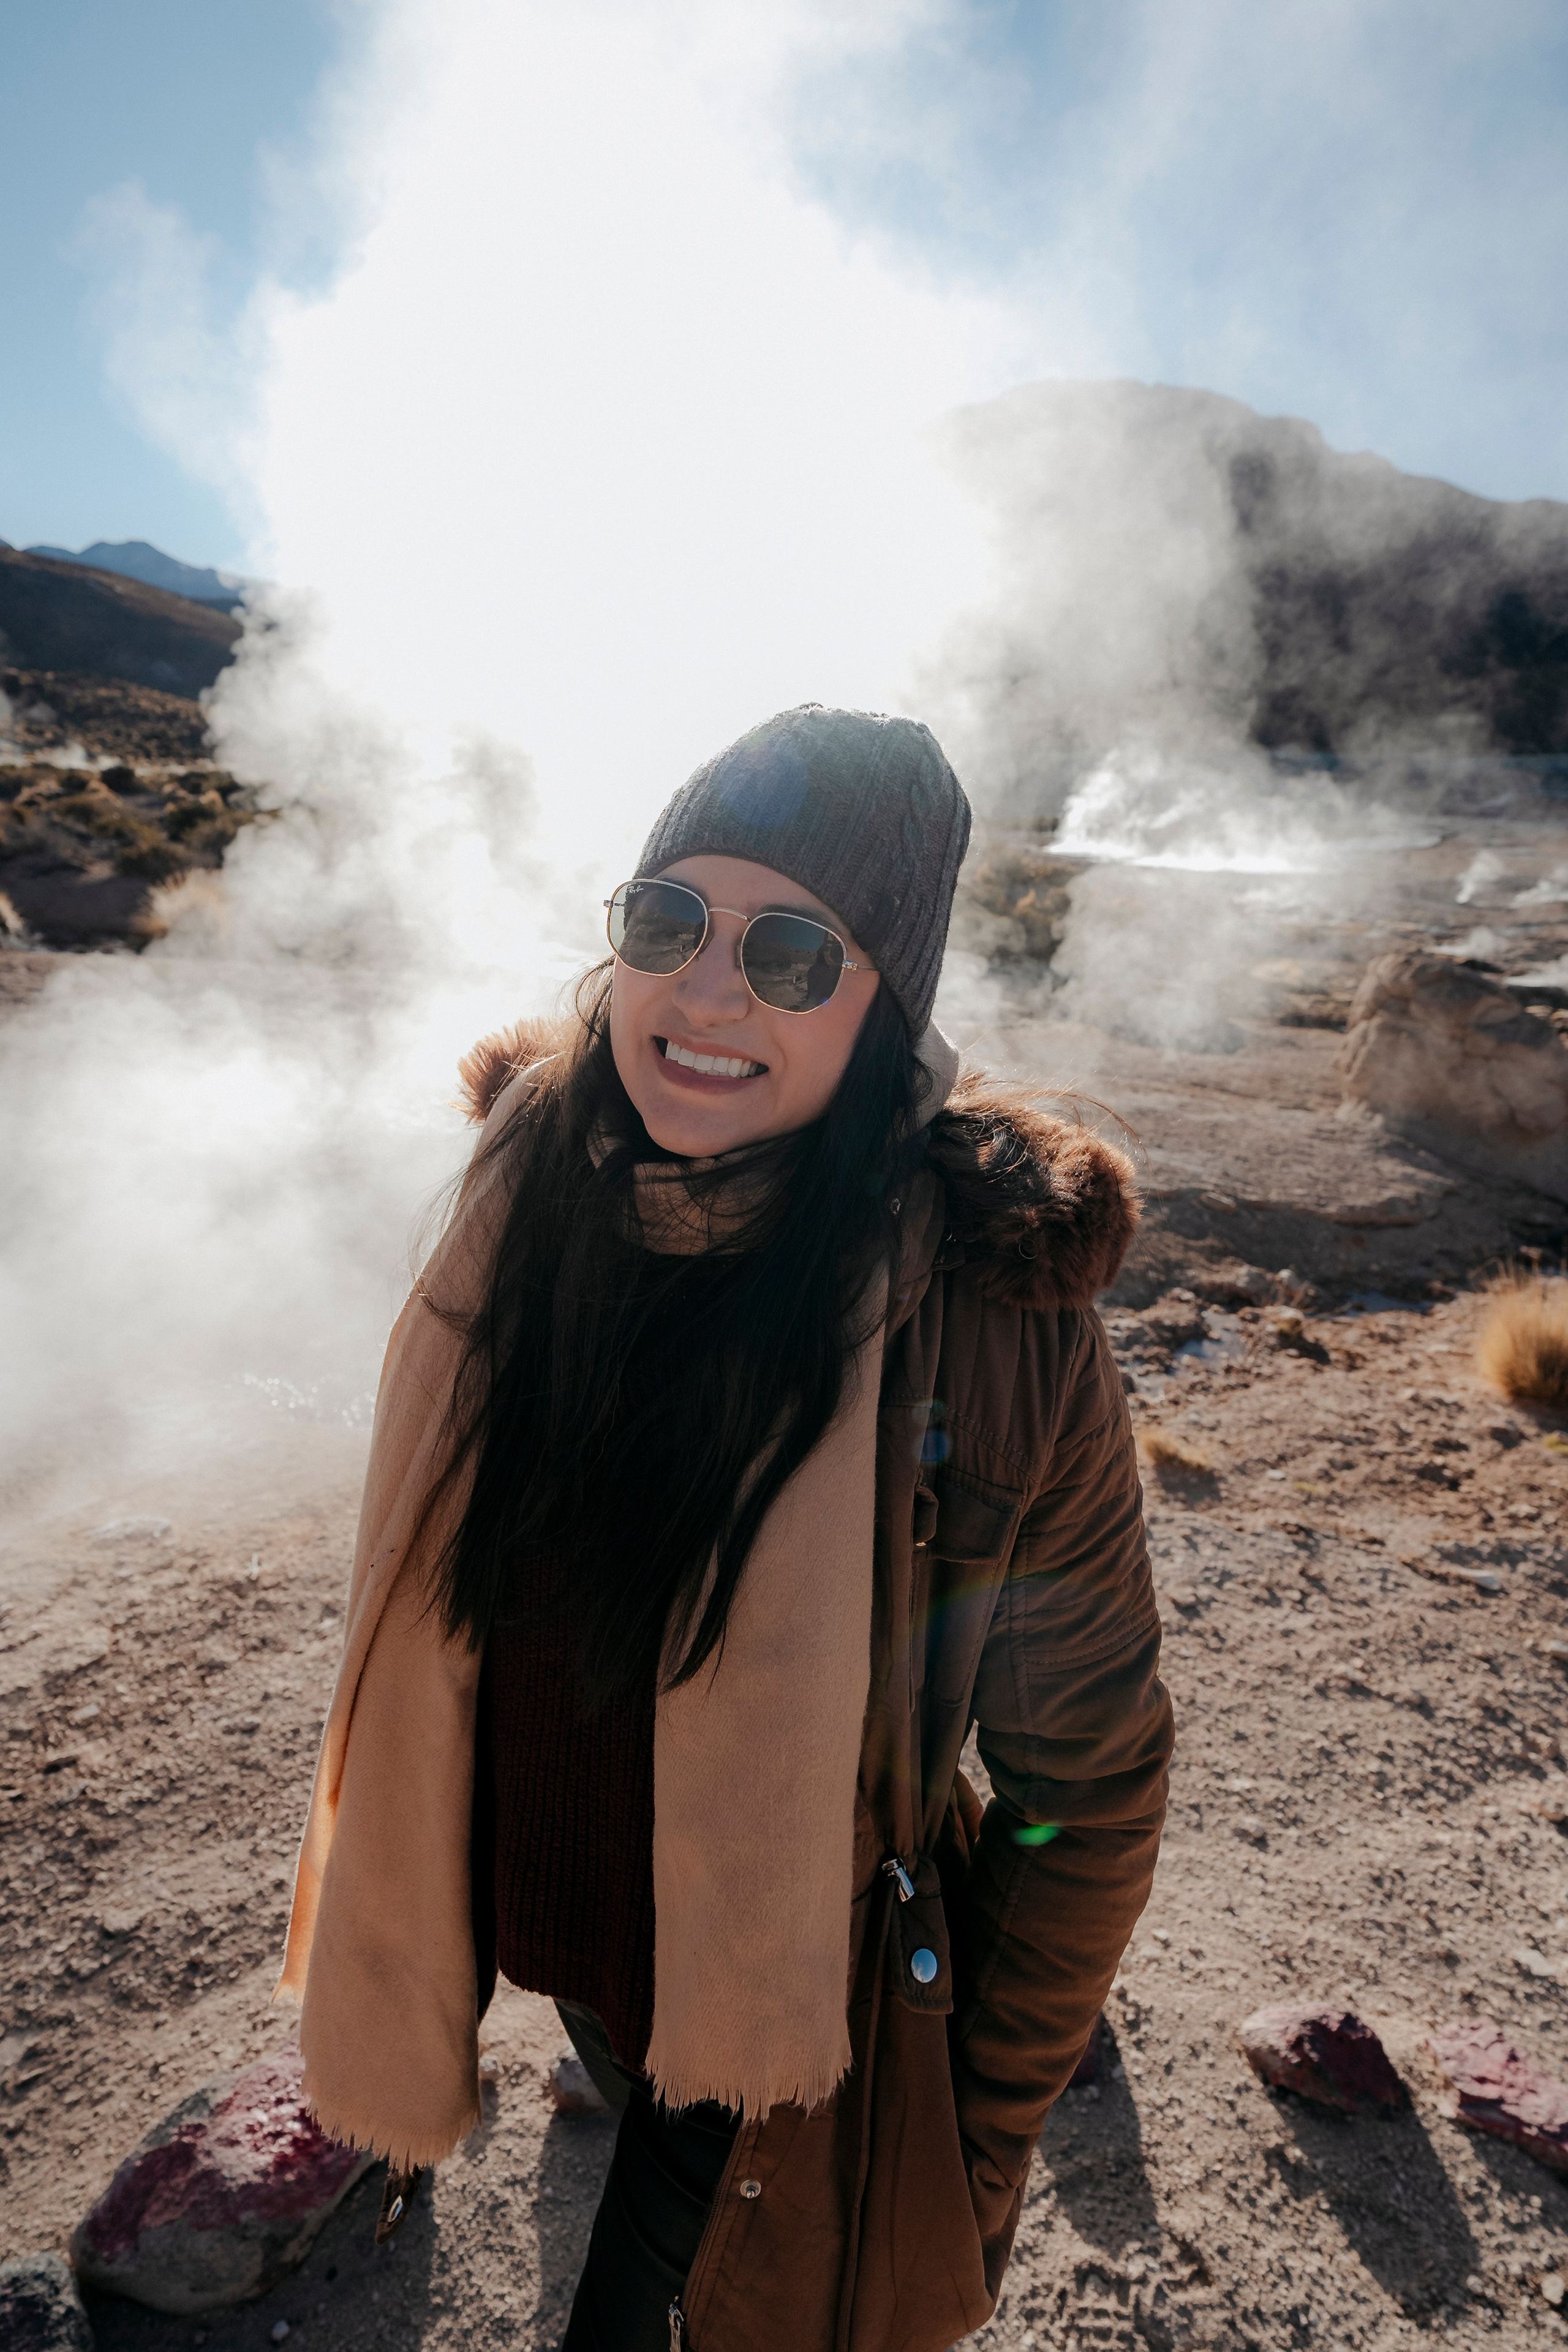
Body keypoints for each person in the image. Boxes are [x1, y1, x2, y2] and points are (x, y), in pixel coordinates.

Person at [278, 705, 1173, 2352]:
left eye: (790, 951)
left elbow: (1087, 1787)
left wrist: (971, 2126)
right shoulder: (523, 1199)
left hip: (795, 2013)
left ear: (884, 1004)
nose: (707, 990)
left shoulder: (986, 1313)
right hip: (580, 1957)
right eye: (670, 922)